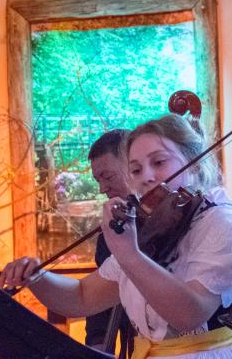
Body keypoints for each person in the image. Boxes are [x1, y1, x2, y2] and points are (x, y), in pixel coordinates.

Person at [1, 114, 232, 359]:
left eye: (159, 162)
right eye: (136, 169)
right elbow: (82, 296)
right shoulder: (150, 231)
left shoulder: (224, 222)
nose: (146, 177)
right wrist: (36, 277)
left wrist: (129, 254)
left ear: (194, 165)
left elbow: (189, 313)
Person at [85, 128, 132, 353]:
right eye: (98, 180)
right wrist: (96, 345)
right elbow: (100, 303)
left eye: (107, 177)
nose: (103, 188)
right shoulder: (111, 233)